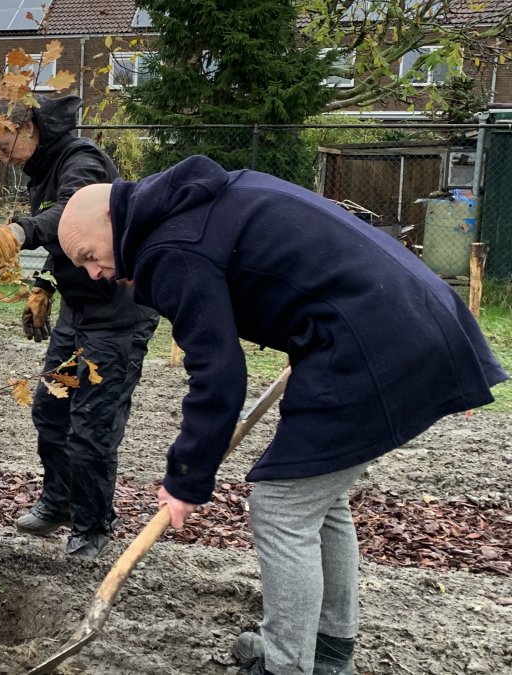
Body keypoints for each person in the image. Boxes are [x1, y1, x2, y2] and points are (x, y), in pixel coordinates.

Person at [57, 155, 508, 675]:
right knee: (316, 497)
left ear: (114, 219)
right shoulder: (206, 198)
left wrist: (185, 477)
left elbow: (219, 374)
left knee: (281, 506)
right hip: (402, 321)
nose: (95, 273)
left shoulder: (169, 250)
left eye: (90, 255)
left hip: (377, 343)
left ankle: (286, 664)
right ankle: (326, 649)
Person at [0, 95, 159, 558]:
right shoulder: (43, 168)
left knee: (92, 425)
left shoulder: (81, 160)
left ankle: (92, 526)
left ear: (28, 127)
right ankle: (60, 502)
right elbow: (68, 243)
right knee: (51, 411)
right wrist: (46, 284)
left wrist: (16, 231)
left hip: (117, 315)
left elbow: (72, 212)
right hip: (78, 313)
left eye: (3, 138)